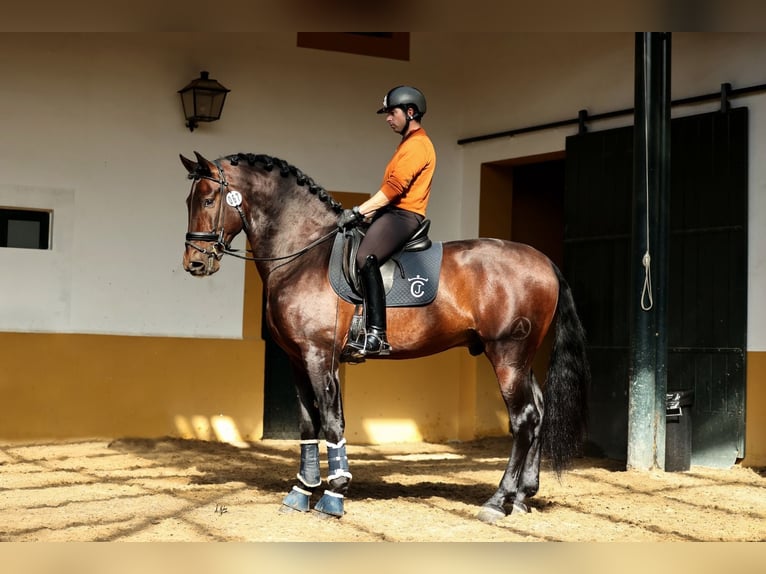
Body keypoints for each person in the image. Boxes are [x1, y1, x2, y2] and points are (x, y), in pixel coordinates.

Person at [337, 85, 436, 360]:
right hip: (391, 213)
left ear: (410, 112)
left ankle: (377, 334)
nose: (388, 118)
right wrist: (363, 216)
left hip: (404, 215)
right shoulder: (406, 144)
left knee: (366, 256)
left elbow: (394, 189)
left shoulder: (418, 145)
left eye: (392, 112)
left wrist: (358, 211)